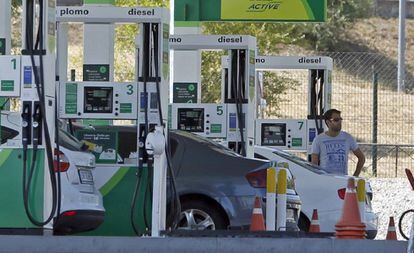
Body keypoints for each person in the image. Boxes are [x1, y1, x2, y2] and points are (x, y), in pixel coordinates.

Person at [311, 109, 365, 176]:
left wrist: (355, 176)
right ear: (328, 122)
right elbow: (314, 164)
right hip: (325, 179)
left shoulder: (348, 138)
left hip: (343, 180)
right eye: (336, 120)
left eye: (340, 119)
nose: (339, 122)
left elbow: (361, 157)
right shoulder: (318, 139)